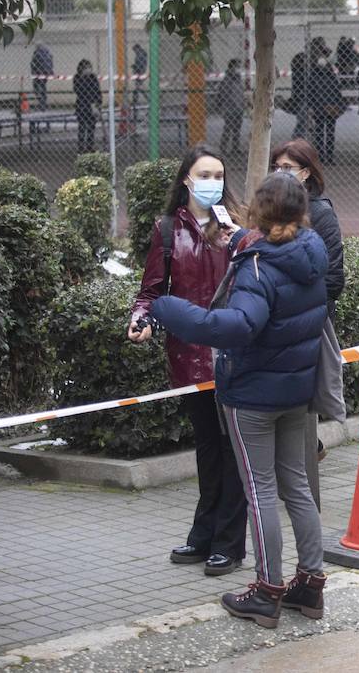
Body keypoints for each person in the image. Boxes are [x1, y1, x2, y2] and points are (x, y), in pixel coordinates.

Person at [150, 172, 329, 628]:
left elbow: (237, 326)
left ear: (259, 211)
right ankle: (310, 584)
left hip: (252, 395)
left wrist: (170, 310)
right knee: (297, 487)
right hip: (295, 390)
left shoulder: (258, 266)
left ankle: (267, 590)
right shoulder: (309, 252)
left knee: (260, 491)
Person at [128, 147, 247, 576]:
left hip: (234, 354)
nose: (213, 180)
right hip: (189, 357)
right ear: (186, 180)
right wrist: (140, 319)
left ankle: (230, 544)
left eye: (218, 173)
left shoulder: (235, 228)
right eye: (204, 173)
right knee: (209, 447)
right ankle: (203, 533)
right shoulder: (167, 230)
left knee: (235, 449)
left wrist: (237, 237)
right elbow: (152, 291)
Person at [270, 139, 345, 313]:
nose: (280, 173)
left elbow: (332, 280)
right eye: (277, 167)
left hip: (310, 315)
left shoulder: (321, 213)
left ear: (305, 173)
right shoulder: (269, 210)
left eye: (288, 168)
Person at [306, 50, 343, 164]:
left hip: (318, 107)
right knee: (330, 132)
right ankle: (330, 157)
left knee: (319, 132)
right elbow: (337, 91)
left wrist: (311, 106)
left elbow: (310, 92)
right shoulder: (331, 75)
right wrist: (338, 104)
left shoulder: (313, 75)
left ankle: (321, 157)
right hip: (331, 106)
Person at [72, 59, 101, 153]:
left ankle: (89, 146)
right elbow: (79, 90)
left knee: (91, 127)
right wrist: (84, 77)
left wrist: (98, 104)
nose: (89, 69)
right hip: (82, 105)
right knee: (82, 127)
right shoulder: (77, 78)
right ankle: (81, 147)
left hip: (92, 105)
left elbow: (97, 90)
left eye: (89, 67)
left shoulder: (93, 77)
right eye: (86, 68)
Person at [30, 44, 53, 110]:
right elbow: (51, 64)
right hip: (46, 73)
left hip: (38, 73)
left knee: (37, 88)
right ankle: (43, 104)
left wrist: (33, 72)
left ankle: (41, 104)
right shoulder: (48, 54)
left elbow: (33, 64)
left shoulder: (37, 54)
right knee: (43, 87)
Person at [132, 43, 148, 107]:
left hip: (139, 72)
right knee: (139, 87)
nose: (135, 52)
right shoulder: (141, 54)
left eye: (135, 50)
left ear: (137, 49)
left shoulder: (140, 55)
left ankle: (135, 101)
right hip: (140, 72)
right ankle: (135, 100)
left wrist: (135, 67)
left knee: (138, 87)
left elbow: (140, 64)